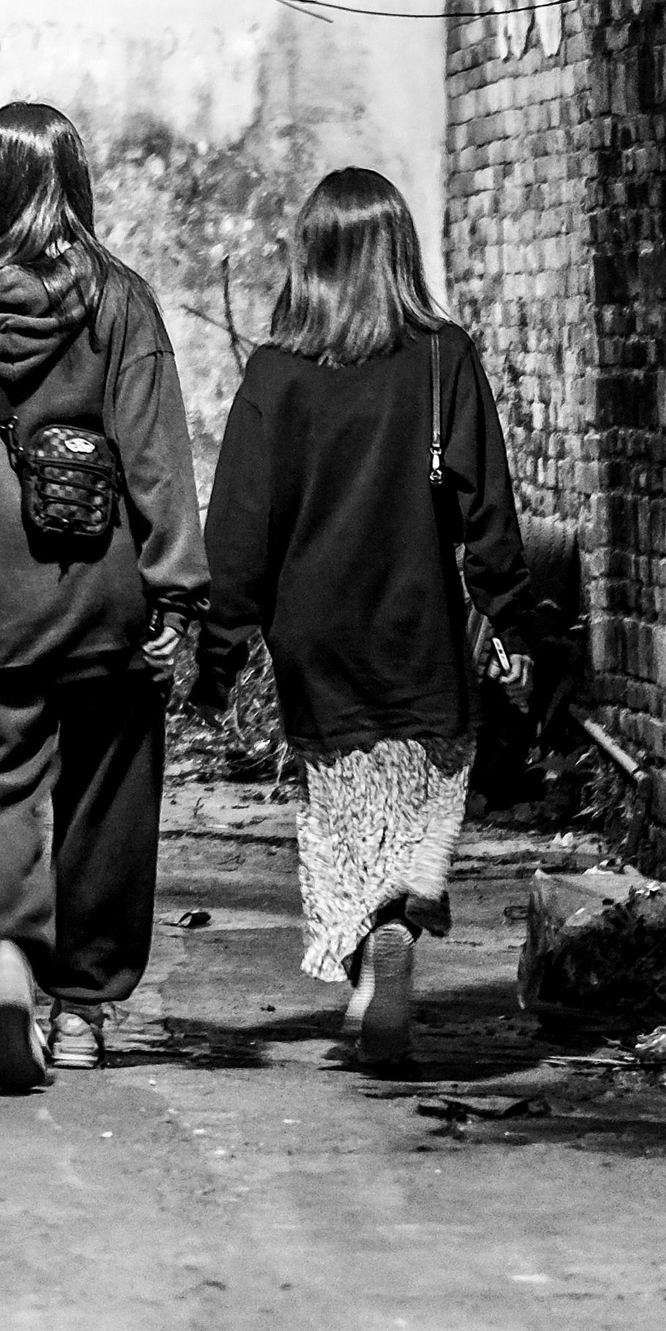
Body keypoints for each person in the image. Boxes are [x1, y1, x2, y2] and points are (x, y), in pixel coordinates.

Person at [0, 104, 208, 1092]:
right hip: (102, 606)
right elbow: (156, 462)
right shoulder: (120, 303)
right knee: (108, 800)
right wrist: (176, 594)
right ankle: (83, 1014)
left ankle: (6, 964)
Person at [190, 168, 532, 1061]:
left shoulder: (274, 374)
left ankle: (366, 954)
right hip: (418, 628)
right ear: (399, 253)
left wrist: (218, 654)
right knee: (428, 787)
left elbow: (237, 534)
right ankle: (400, 922)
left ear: (309, 259)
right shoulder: (441, 356)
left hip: (316, 642)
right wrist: (504, 607)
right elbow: (487, 507)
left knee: (340, 813)